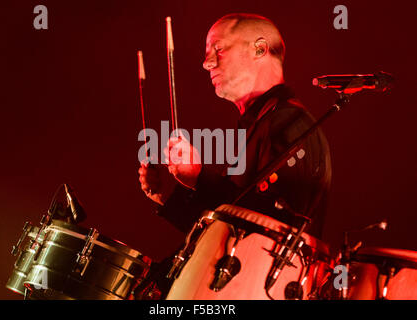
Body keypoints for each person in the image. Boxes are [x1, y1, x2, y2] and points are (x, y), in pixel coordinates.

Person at [138, 13, 331, 239]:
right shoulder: (259, 124)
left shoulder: (290, 122)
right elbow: (221, 234)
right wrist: (169, 198)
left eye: (218, 49)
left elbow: (273, 226)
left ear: (260, 49)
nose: (206, 62)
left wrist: (200, 178)